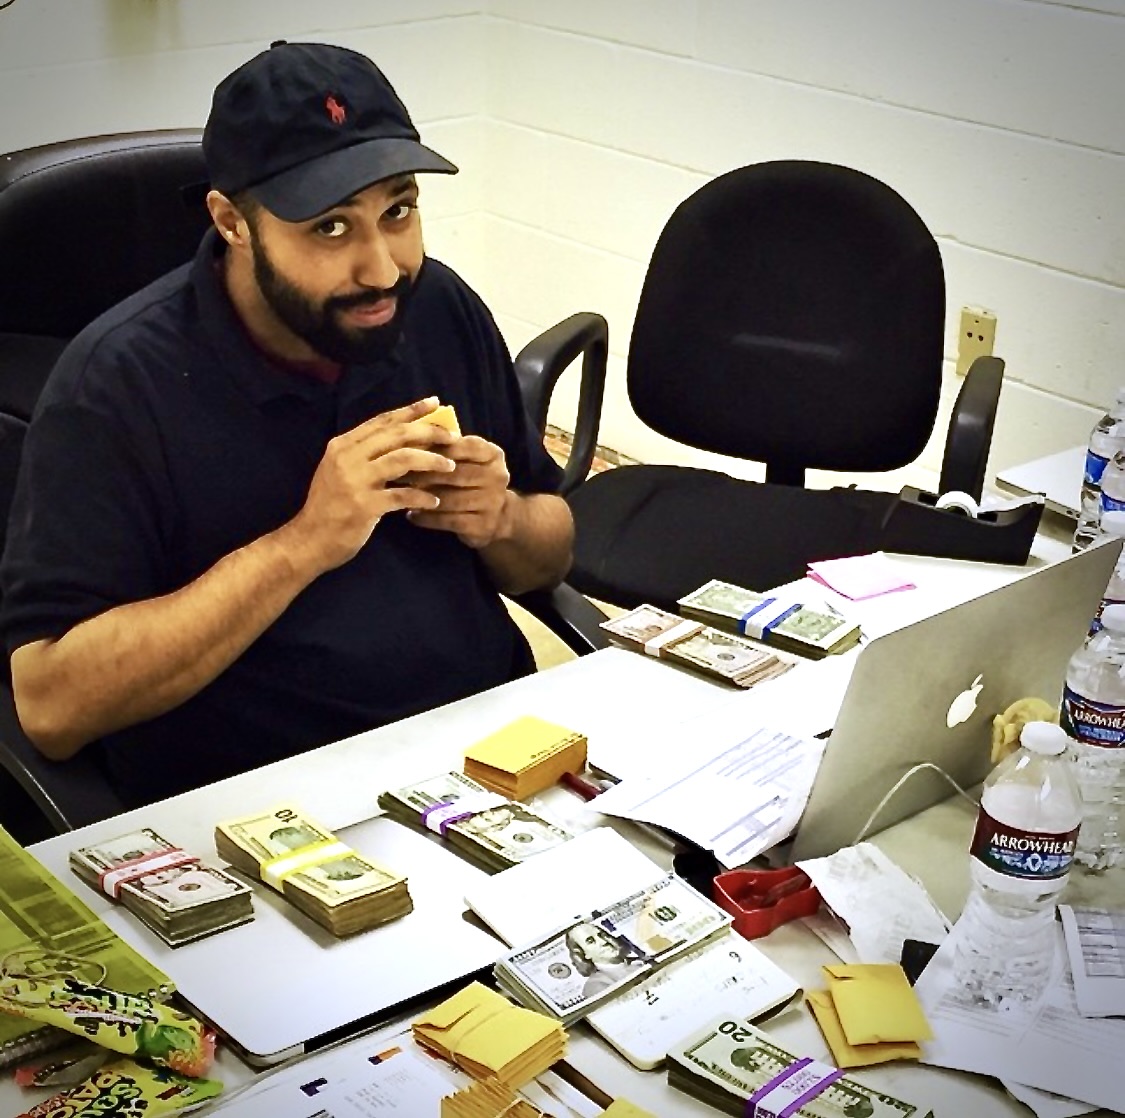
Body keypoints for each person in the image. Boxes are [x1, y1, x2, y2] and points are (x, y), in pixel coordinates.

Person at [0, 41, 573, 808]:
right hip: (272, 806)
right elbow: (51, 706)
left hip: (486, 755)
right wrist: (304, 543)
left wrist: (498, 519)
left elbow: (550, 549)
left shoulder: (436, 306)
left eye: (398, 210)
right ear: (231, 221)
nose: (382, 268)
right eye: (330, 228)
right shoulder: (114, 386)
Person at [564, 922, 646, 998]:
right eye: (591, 941)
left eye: (601, 934)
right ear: (584, 954)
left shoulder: (641, 959)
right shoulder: (595, 986)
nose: (603, 941)